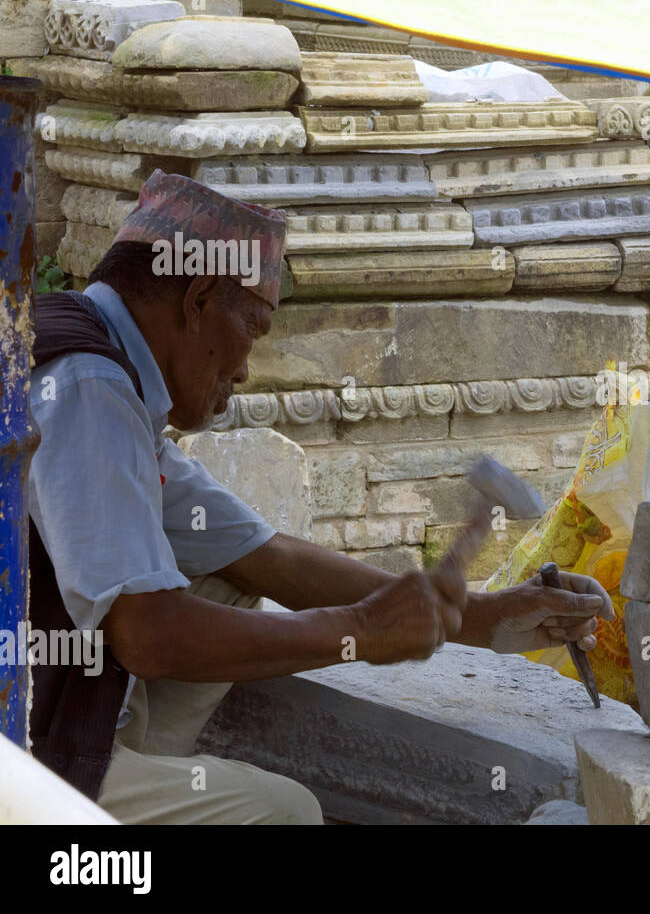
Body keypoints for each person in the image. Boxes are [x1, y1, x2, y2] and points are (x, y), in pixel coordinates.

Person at [26, 170, 612, 823]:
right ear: (197, 299)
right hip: (17, 755)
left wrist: (482, 616)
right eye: (254, 327)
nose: (246, 368)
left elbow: (265, 557)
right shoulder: (87, 386)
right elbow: (149, 635)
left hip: (40, 703)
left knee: (228, 575)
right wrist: (357, 633)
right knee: (283, 811)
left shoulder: (97, 363)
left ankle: (129, 772)